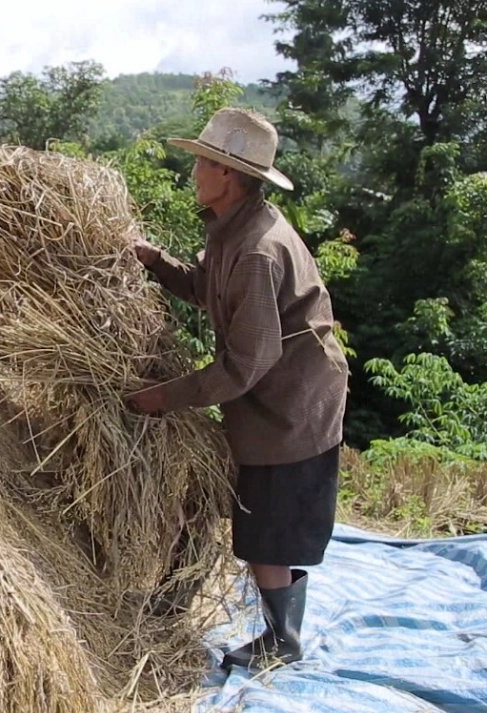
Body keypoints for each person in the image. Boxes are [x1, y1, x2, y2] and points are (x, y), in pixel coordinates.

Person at [125, 107, 349, 671]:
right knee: (266, 515)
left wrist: (163, 397)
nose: (194, 170)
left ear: (228, 174)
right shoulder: (233, 229)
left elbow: (250, 359)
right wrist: (153, 261)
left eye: (203, 161)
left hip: (292, 402)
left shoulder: (256, 248)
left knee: (268, 524)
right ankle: (281, 626)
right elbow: (207, 289)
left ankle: (283, 641)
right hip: (272, 390)